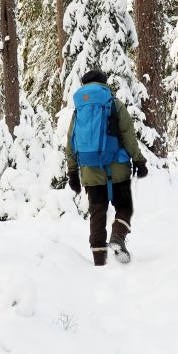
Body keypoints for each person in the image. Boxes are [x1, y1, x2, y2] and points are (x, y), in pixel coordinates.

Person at [66, 70, 148, 266]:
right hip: (118, 168)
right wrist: (139, 161)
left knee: (97, 213)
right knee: (124, 207)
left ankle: (99, 261)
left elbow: (70, 143)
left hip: (90, 171)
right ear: (104, 83)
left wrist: (72, 172)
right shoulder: (114, 104)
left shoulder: (79, 110)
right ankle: (118, 238)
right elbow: (129, 136)